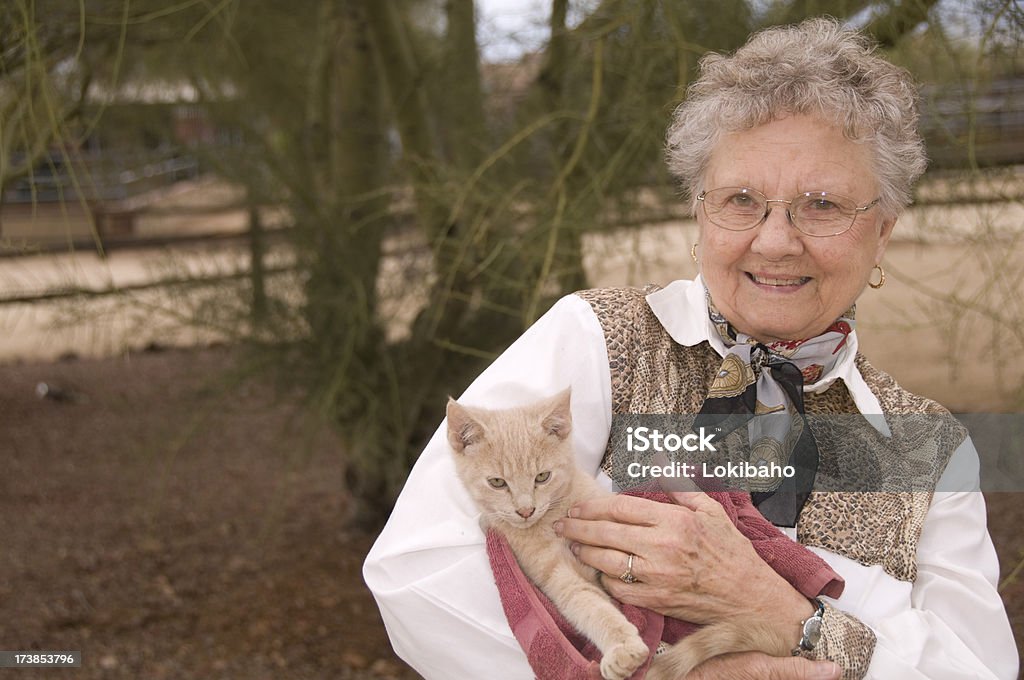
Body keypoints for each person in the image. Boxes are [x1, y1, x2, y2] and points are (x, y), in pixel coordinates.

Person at [363, 18, 1018, 680]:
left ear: (881, 232)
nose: (774, 241)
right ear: (699, 212)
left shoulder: (923, 448)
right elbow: (418, 572)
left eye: (822, 205)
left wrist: (797, 619)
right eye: (742, 200)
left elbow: (980, 668)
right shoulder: (596, 340)